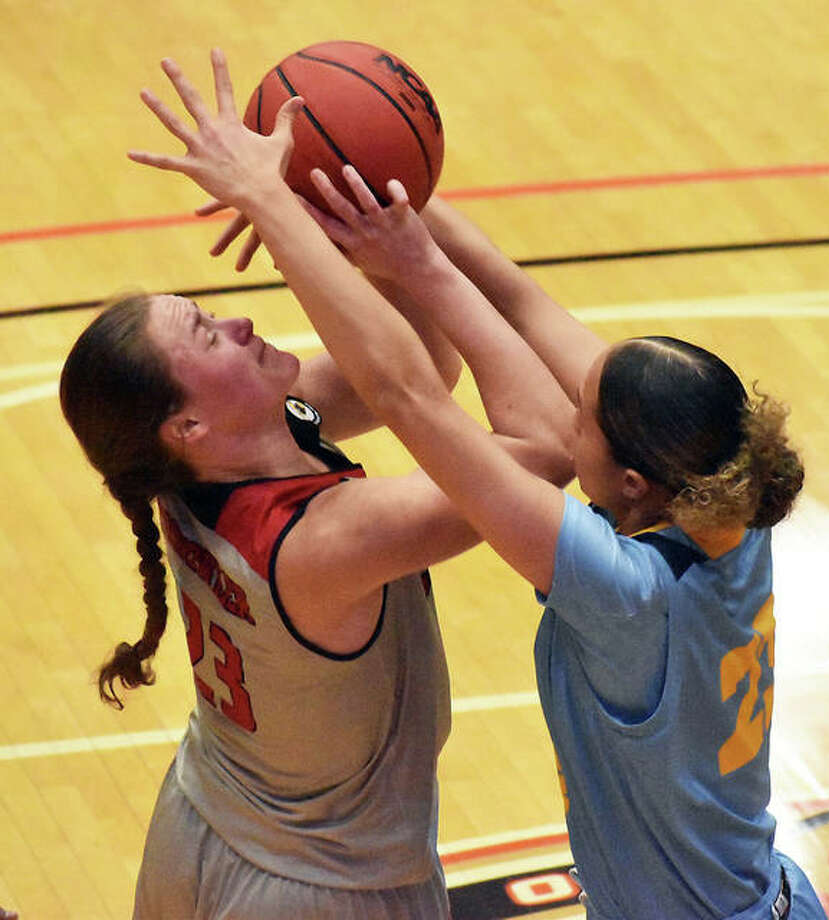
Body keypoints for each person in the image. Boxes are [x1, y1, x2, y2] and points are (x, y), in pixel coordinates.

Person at [127, 49, 829, 919]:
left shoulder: (625, 596)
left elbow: (418, 400)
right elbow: (520, 304)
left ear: (636, 486)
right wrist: (375, 195)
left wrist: (288, 209)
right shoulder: (734, 494)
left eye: (585, 420)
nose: (569, 405)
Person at [60, 71, 575, 920]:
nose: (235, 323)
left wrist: (340, 197)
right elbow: (541, 454)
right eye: (205, 334)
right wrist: (282, 211)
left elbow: (417, 361)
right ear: (186, 425)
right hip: (323, 889)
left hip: (201, 824)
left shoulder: (203, 467)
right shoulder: (320, 542)